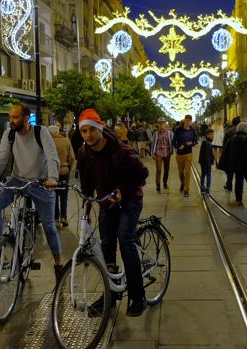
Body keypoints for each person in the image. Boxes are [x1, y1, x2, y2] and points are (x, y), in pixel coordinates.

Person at [76, 108, 149, 317]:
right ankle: (111, 296)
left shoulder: (121, 150)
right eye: (84, 131)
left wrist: (121, 191)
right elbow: (87, 186)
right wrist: (86, 210)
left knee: (125, 239)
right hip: (106, 204)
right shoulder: (84, 153)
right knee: (106, 247)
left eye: (91, 130)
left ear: (100, 128)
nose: (88, 135)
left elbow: (143, 173)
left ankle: (138, 296)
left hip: (130, 200)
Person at [0, 103, 63, 279]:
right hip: (18, 180)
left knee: (49, 226)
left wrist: (53, 179)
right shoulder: (9, 134)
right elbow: (3, 156)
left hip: (41, 183)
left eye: (16, 117)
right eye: (11, 117)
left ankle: (58, 263)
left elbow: (52, 156)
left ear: (26, 118)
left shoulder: (41, 132)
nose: (12, 121)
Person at [221, 122, 247, 205]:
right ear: (245, 129)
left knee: (238, 182)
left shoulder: (232, 139)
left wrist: (227, 164)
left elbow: (226, 152)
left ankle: (238, 200)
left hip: (237, 165)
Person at [49, 125, 75, 227]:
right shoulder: (66, 141)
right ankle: (63, 217)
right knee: (64, 196)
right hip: (64, 172)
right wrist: (68, 167)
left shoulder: (49, 143)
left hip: (52, 173)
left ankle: (55, 218)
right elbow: (72, 158)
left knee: (53, 195)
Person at [172, 115, 198, 197]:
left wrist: (192, 143)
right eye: (187, 120)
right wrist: (177, 147)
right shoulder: (178, 130)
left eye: (190, 120)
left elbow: (195, 141)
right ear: (184, 120)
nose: (188, 122)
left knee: (187, 172)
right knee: (180, 172)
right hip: (179, 154)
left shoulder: (192, 130)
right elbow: (173, 141)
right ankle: (182, 183)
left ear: (191, 121)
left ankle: (186, 189)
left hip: (188, 154)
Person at [151, 117, 173, 192]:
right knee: (159, 169)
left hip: (167, 152)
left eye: (162, 123)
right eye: (159, 123)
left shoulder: (169, 133)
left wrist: (171, 150)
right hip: (158, 152)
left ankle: (165, 182)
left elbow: (171, 142)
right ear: (158, 124)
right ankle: (158, 185)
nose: (161, 125)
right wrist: (152, 153)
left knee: (166, 169)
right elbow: (153, 143)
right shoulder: (156, 133)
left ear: (165, 124)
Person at [221, 117, 241, 191]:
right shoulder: (242, 131)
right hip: (240, 155)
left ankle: (229, 185)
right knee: (239, 173)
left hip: (230, 154)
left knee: (230, 171)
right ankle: (239, 188)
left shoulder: (228, 132)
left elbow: (224, 144)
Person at [199, 129, 215, 194]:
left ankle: (205, 188)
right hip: (206, 162)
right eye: (211, 135)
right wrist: (210, 160)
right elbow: (205, 154)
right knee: (206, 175)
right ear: (207, 135)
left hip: (205, 162)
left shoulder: (207, 142)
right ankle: (205, 188)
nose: (212, 136)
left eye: (213, 134)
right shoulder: (206, 143)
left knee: (205, 174)